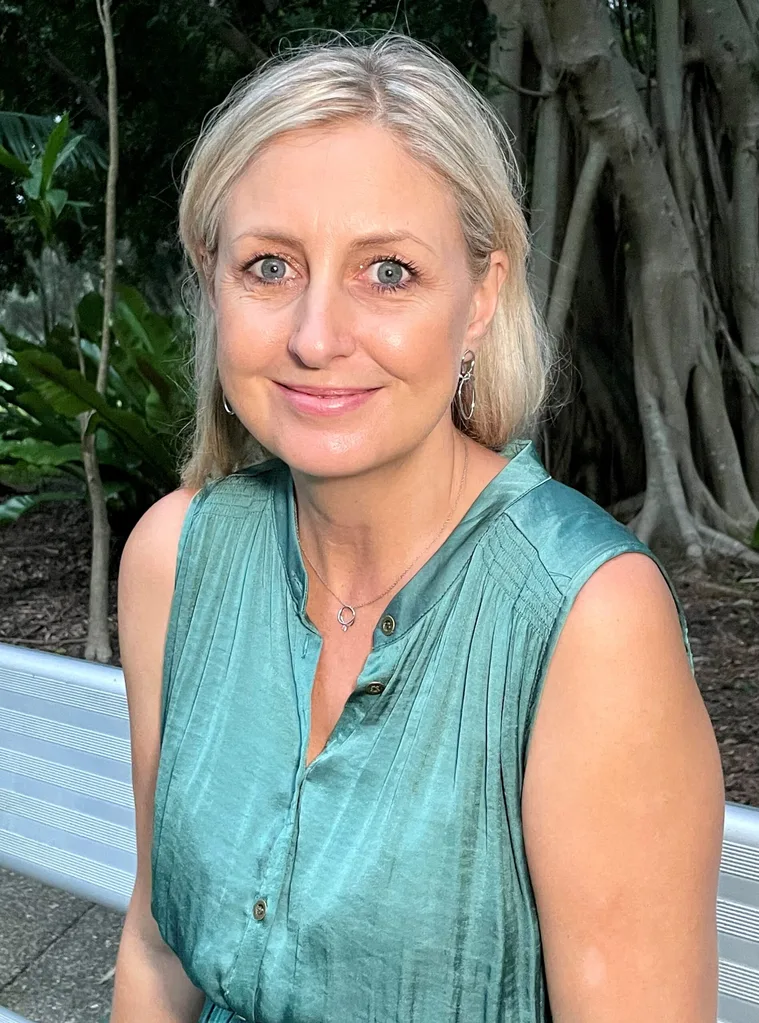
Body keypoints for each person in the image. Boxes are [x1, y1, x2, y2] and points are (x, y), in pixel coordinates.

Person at [111, 33, 725, 1023]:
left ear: (481, 298)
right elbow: (155, 943)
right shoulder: (176, 558)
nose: (316, 336)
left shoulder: (587, 624)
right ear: (212, 280)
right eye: (269, 265)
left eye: (387, 272)